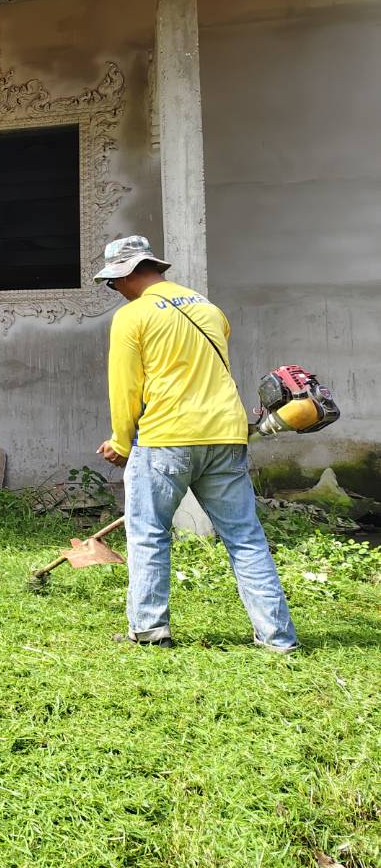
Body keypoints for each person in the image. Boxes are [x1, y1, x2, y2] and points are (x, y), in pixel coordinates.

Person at [94, 235, 298, 653]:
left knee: (149, 535)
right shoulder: (209, 308)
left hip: (166, 437)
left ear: (126, 274)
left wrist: (121, 442)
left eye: (112, 283)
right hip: (226, 434)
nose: (114, 291)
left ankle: (149, 630)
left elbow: (125, 388)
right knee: (245, 538)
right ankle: (278, 638)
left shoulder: (133, 316)